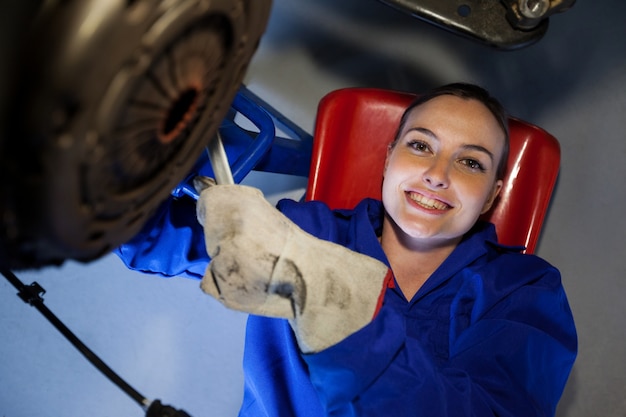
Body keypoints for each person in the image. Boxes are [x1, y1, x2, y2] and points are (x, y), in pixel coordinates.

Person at [116, 83, 577, 417]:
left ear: (493, 195)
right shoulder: (305, 229)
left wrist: (332, 299)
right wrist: (135, 166)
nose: (438, 174)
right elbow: (153, 238)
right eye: (421, 146)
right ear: (389, 157)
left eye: (470, 162)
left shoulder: (524, 291)